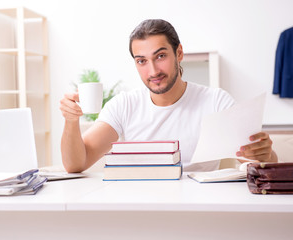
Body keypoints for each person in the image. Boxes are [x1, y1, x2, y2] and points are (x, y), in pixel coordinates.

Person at [60, 19, 277, 173]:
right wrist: (71, 122)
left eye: (160, 56)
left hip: (199, 207)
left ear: (179, 53)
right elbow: (77, 163)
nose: (153, 71)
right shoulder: (124, 105)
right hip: (142, 205)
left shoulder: (216, 101)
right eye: (142, 61)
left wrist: (266, 155)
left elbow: (260, 164)